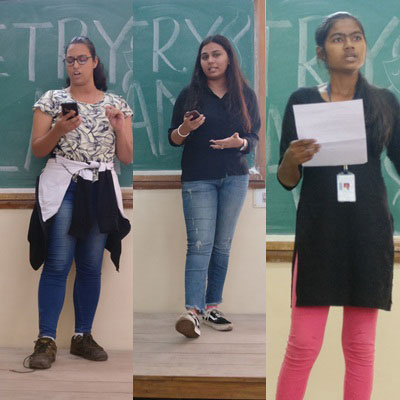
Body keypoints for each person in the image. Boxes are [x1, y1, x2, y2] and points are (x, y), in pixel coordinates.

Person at [275, 12, 400, 399]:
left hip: (368, 232)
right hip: (318, 234)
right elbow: (286, 178)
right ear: (320, 52)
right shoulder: (302, 101)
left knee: (361, 349)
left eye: (357, 37)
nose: (349, 45)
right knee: (302, 346)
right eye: (338, 39)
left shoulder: (384, 101)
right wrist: (293, 158)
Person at [25, 36, 133, 369]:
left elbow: (126, 157)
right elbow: (39, 150)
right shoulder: (52, 100)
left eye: (82, 59)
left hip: (100, 187)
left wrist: (117, 128)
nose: (75, 66)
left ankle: (82, 336)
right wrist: (58, 129)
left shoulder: (116, 103)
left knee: (90, 265)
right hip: (65, 185)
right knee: (58, 262)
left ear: (95, 62)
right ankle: (46, 340)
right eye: (70, 60)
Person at [168, 34, 260, 338]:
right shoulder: (190, 95)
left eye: (216, 55)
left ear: (229, 58)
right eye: (205, 56)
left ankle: (211, 308)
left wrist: (240, 143)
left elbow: (254, 139)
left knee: (222, 246)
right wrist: (186, 127)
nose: (210, 61)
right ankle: (192, 312)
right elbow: (173, 138)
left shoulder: (245, 95)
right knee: (199, 244)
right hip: (198, 178)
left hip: (235, 177)